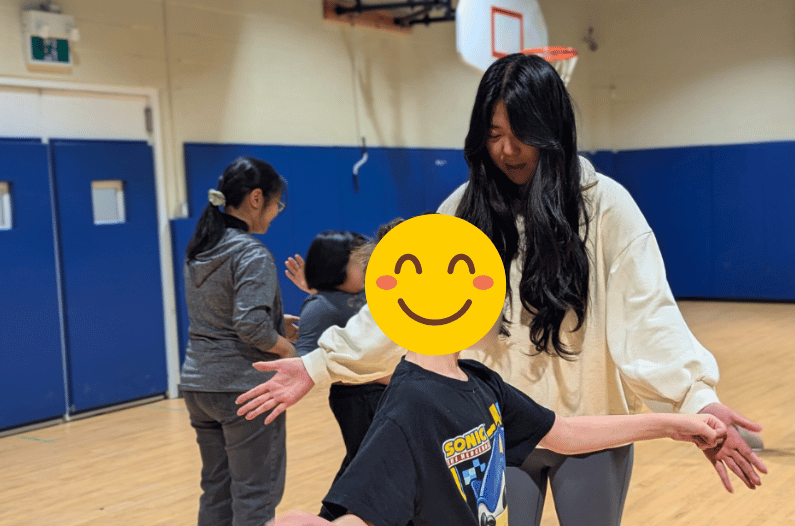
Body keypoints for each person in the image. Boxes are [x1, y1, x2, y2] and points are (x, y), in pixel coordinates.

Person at [237, 54, 767, 526]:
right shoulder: (462, 211)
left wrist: (697, 397)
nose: (507, 150)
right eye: (493, 134)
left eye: (521, 133)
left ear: (552, 129)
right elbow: (409, 308)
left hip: (592, 428)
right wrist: (317, 363)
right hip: (498, 428)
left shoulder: (607, 206)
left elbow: (649, 315)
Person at [268, 219, 728, 526]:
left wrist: (674, 424)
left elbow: (565, 432)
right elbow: (368, 511)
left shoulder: (478, 382)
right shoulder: (409, 410)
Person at [179, 156, 296, 526]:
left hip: (200, 385)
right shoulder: (250, 252)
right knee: (255, 497)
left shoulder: (201, 247)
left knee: (216, 489)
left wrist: (276, 322)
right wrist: (288, 350)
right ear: (257, 198)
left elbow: (223, 314)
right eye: (278, 205)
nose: (277, 213)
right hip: (243, 389)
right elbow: (251, 328)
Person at [287, 228, 393, 520]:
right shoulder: (318, 306)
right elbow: (305, 358)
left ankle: (332, 515)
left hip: (378, 392)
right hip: (355, 397)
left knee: (365, 459)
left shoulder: (357, 297)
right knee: (364, 461)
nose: (367, 267)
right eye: (360, 262)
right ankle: (328, 516)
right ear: (337, 266)